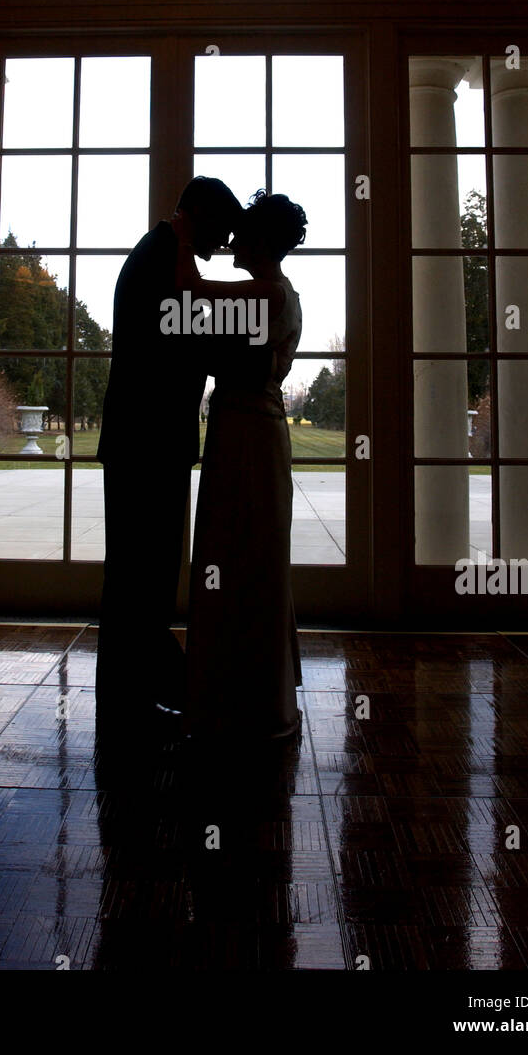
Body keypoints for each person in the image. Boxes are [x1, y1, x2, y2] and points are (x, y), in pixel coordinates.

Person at [95, 176, 242, 736]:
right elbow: (184, 340)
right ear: (198, 215)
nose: (224, 241)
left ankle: (131, 689)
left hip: (144, 437)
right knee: (144, 571)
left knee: (138, 571)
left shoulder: (157, 254)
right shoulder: (161, 260)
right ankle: (144, 689)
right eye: (220, 229)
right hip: (148, 439)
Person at [172, 190, 307, 741]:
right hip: (245, 431)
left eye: (241, 232)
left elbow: (188, 293)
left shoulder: (267, 292)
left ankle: (235, 702)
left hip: (247, 435)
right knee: (246, 555)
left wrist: (181, 236)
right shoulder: (274, 292)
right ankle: (246, 698)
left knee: (240, 554)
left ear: (260, 242)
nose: (231, 241)